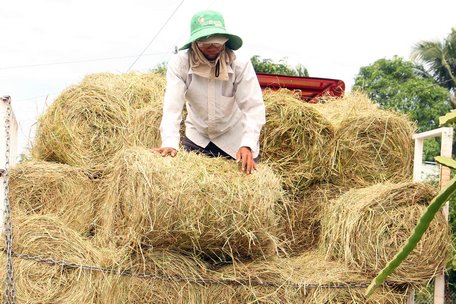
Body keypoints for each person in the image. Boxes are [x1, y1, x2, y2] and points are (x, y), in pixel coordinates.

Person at [155, 10, 265, 175]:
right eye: (205, 41)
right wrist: (170, 142)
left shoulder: (240, 64)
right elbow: (172, 107)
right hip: (198, 136)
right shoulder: (180, 64)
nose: (212, 45)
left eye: (217, 41)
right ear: (195, 41)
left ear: (225, 40)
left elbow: (253, 107)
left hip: (232, 136)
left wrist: (248, 144)